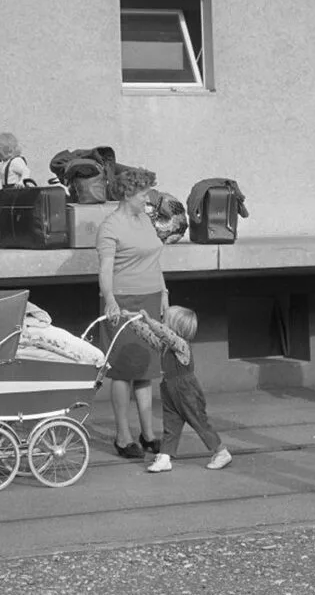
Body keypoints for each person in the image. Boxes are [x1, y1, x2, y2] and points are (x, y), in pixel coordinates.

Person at [98, 167, 166, 459]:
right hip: (124, 302)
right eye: (143, 195)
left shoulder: (145, 220)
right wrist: (110, 299)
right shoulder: (111, 226)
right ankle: (123, 436)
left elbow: (155, 260)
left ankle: (148, 433)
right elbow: (105, 268)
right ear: (127, 194)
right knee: (123, 372)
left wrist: (164, 293)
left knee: (146, 370)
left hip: (150, 299)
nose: (147, 201)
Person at [124, 306, 232, 473]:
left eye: (165, 321)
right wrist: (133, 323)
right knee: (171, 426)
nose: (162, 323)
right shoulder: (166, 345)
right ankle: (165, 457)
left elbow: (165, 334)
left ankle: (221, 452)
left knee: (199, 422)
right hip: (170, 390)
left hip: (186, 391)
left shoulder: (181, 345)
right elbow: (150, 337)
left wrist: (149, 321)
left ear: (175, 328)